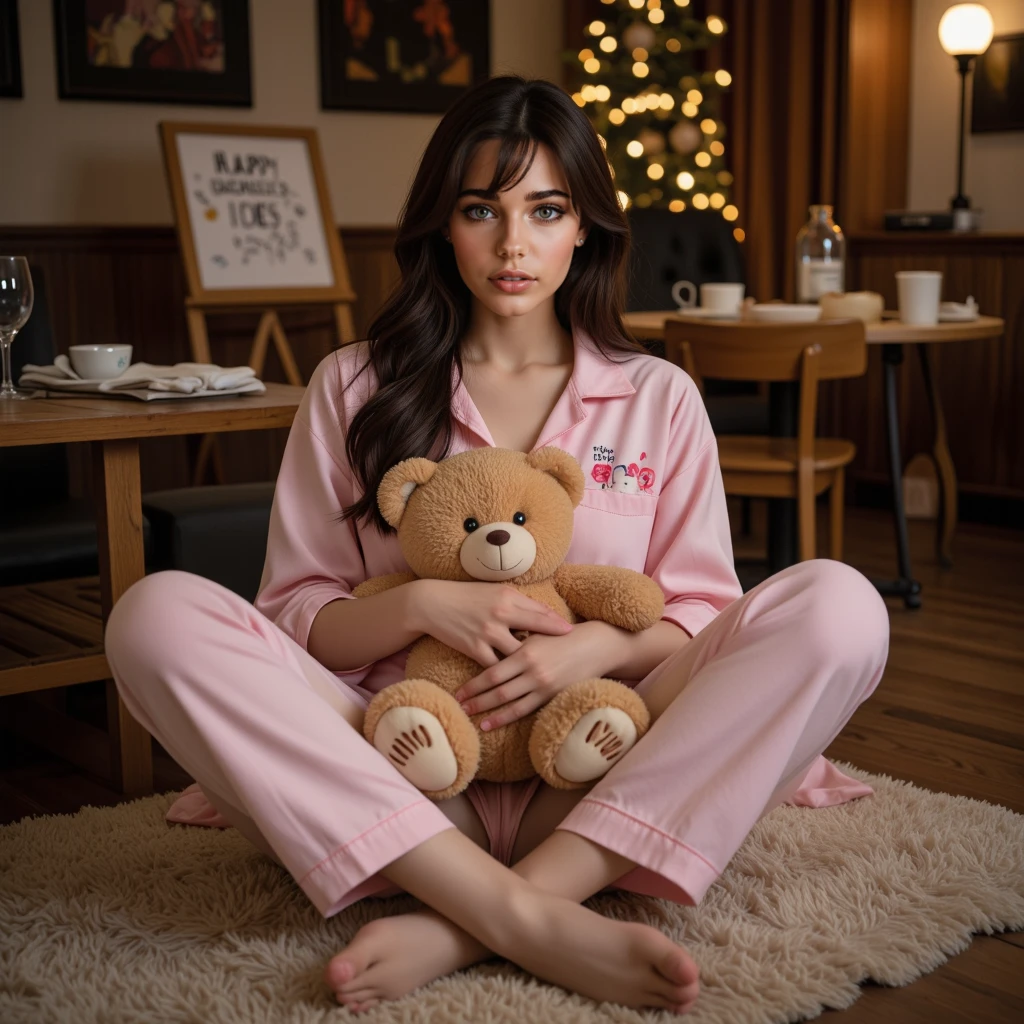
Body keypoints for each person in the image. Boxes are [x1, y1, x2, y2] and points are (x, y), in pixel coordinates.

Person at [104, 76, 889, 1015]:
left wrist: (598, 648)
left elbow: (698, 614)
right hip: (401, 763)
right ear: (444, 223)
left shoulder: (658, 398)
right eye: (483, 209)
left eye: (546, 210)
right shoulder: (354, 386)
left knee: (842, 607)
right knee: (153, 617)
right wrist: (417, 606)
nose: (514, 246)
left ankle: (478, 914)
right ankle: (528, 919)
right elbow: (298, 616)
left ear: (585, 226)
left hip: (596, 764)